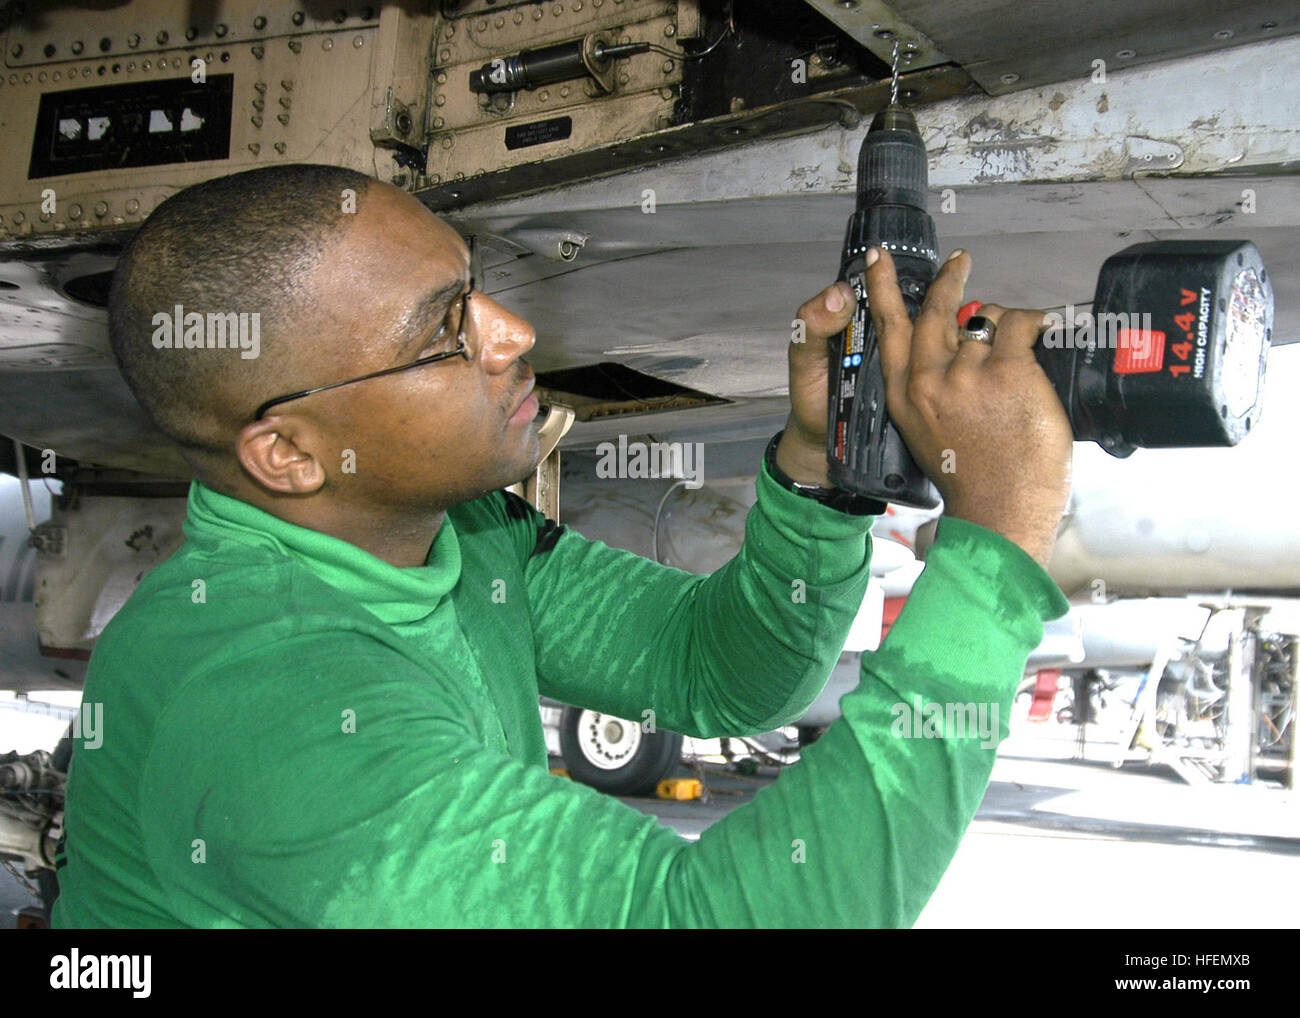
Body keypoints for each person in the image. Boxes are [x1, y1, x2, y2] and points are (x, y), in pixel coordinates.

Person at [52, 163, 1071, 928]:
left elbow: (721, 668)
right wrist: (993, 543)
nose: (512, 332)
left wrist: (818, 470)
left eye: (474, 285)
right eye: (444, 332)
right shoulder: (265, 706)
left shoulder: (462, 538)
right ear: (287, 453)